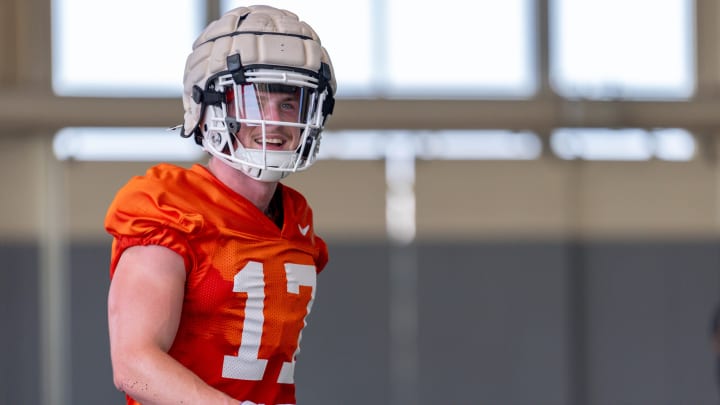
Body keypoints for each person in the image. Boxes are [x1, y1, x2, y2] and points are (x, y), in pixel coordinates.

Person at [104, 5, 336, 404]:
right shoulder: (170, 207)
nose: (275, 122)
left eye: (289, 103)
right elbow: (132, 368)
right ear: (211, 106)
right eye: (255, 101)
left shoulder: (296, 217)